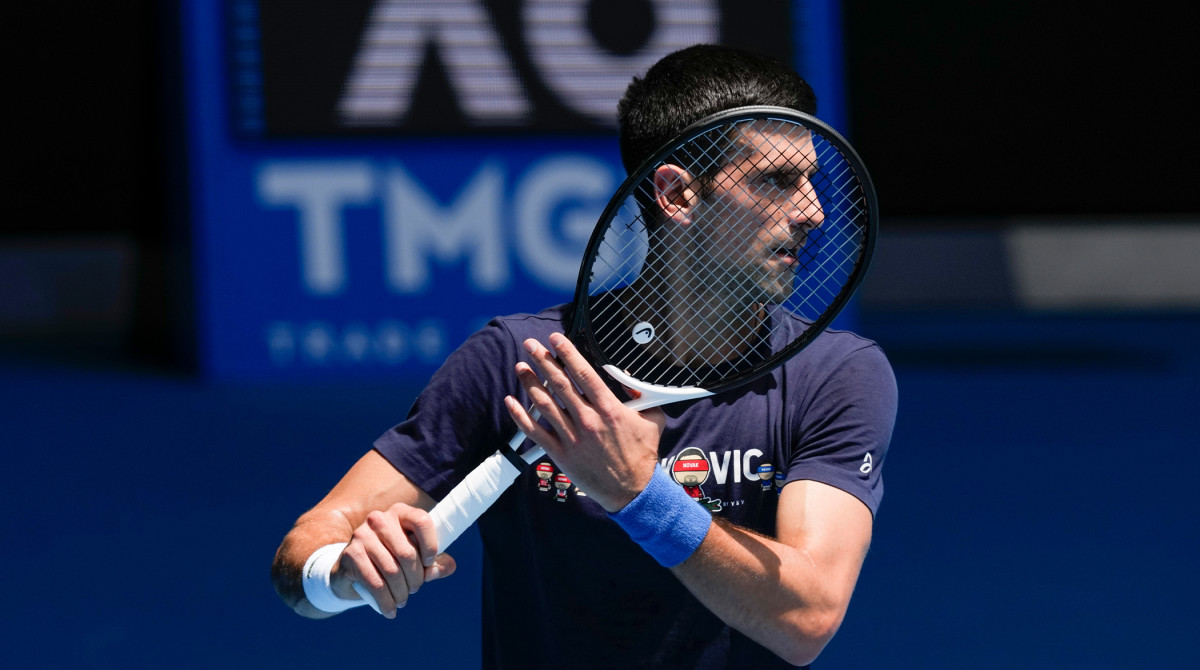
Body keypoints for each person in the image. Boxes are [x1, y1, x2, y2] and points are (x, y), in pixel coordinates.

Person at [272, 44, 897, 669]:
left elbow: (808, 617)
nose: (812, 211)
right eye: (776, 181)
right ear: (678, 196)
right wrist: (342, 573)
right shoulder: (520, 363)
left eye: (812, 180)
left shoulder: (834, 376)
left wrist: (638, 494)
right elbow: (302, 559)